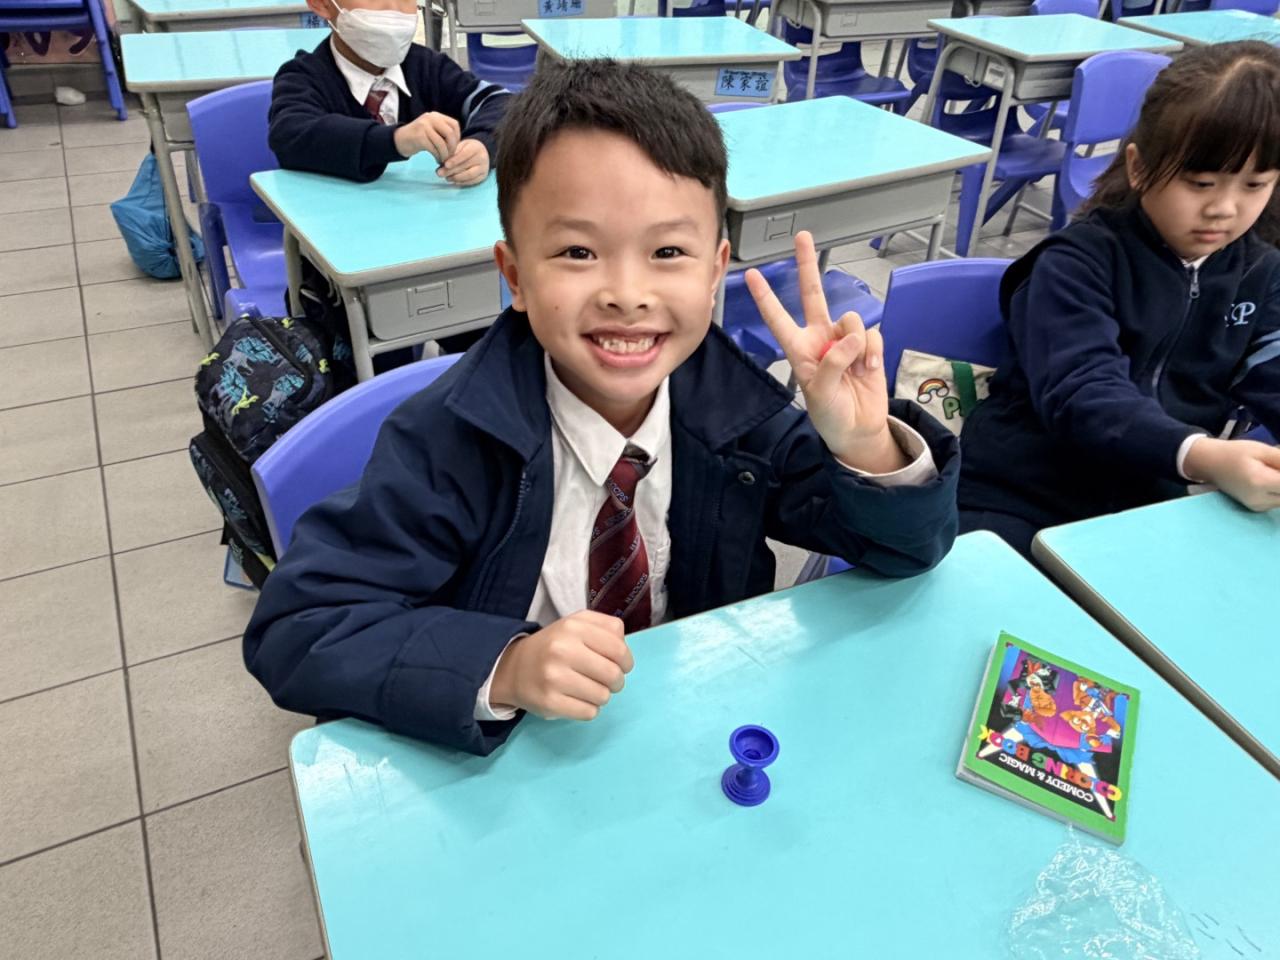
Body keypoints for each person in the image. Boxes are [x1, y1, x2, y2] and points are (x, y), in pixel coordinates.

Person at [244, 59, 960, 756]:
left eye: (668, 252)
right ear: (515, 275)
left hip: (686, 732)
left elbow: (905, 548)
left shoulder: (739, 416)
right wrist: (502, 666)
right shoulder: (447, 442)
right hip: (514, 759)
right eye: (578, 253)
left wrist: (865, 446)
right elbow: (299, 627)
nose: (626, 294)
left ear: (715, 272)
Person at [959, 41, 1280, 558]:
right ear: (1138, 166)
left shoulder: (1261, 271)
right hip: (1020, 497)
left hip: (1151, 504)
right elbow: (1083, 392)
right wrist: (1200, 455)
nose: (1224, 208)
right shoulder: (1074, 262)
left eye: (1254, 184)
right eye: (1200, 182)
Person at [268, 0, 509, 184]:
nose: (392, 9)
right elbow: (291, 135)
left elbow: (503, 104)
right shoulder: (303, 76)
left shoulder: (428, 67)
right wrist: (396, 140)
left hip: (427, 220)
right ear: (321, 4)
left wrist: (483, 144)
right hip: (338, 225)